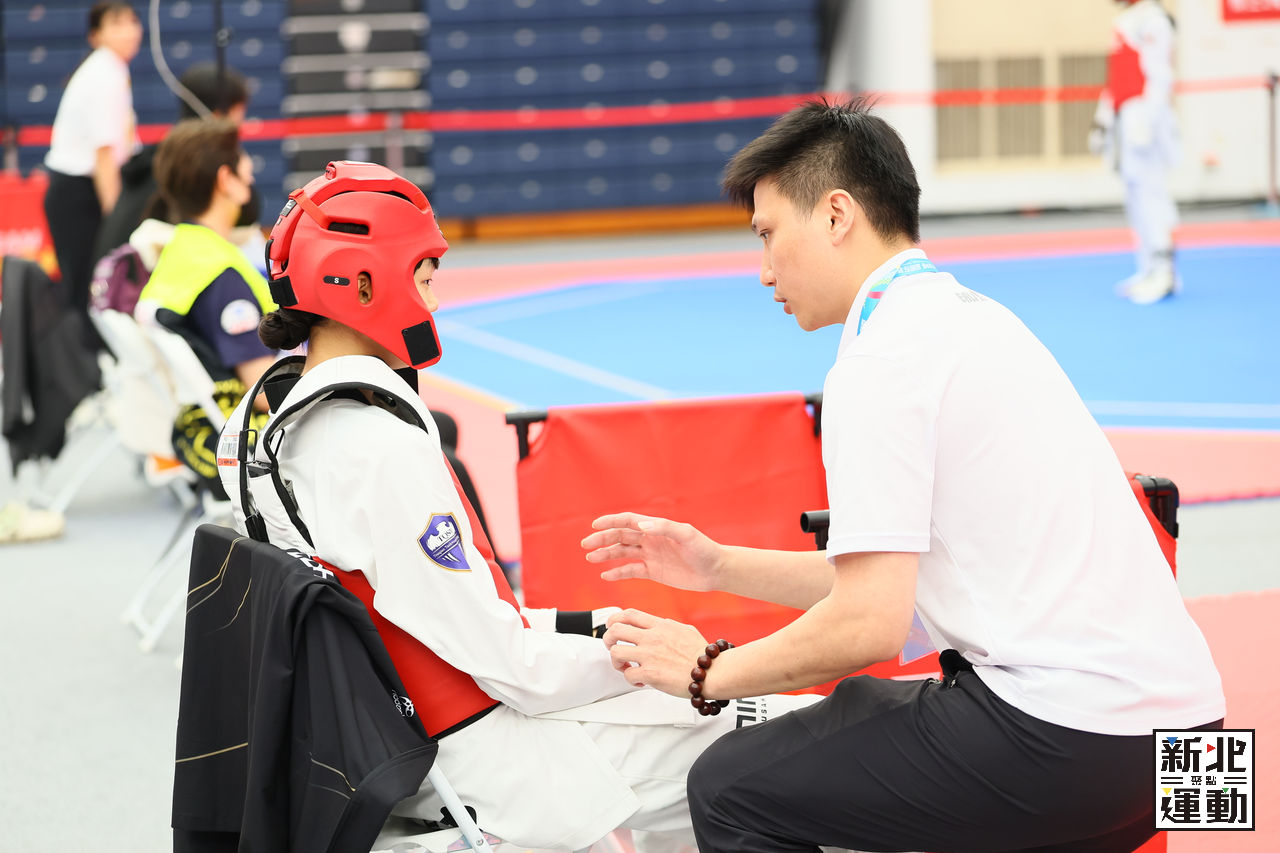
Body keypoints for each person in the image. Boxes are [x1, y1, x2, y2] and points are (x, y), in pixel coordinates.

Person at [584, 98, 1225, 853]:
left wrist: (706, 671)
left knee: (727, 788)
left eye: (766, 234)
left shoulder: (880, 362)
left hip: (1070, 734)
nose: (763, 271)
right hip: (1197, 736)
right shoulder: (977, 317)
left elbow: (869, 623)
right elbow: (906, 585)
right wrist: (718, 566)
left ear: (836, 215)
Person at [215, 161, 819, 852]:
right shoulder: (378, 449)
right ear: (362, 284)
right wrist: (644, 659)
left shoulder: (270, 435)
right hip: (489, 755)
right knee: (802, 743)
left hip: (405, 737)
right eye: (424, 278)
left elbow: (437, 621)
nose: (432, 301)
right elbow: (514, 668)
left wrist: (597, 630)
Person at [134, 118, 275, 498]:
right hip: (249, 443)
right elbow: (264, 391)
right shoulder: (221, 275)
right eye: (244, 162)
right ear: (226, 180)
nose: (251, 172)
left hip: (204, 430)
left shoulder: (180, 250)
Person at [93, 62, 260, 262]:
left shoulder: (163, 156)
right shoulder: (194, 167)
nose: (241, 122)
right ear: (219, 114)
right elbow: (248, 213)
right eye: (239, 112)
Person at [42, 1, 142, 317]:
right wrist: (117, 220)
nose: (129, 31)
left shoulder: (112, 69)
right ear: (95, 35)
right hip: (79, 195)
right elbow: (104, 156)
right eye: (116, 24)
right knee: (87, 295)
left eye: (132, 22)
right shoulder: (103, 74)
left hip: (82, 192)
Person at [1090, 0, 1180, 305]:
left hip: (1142, 116)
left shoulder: (1153, 20)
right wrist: (1103, 121)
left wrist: (1149, 120)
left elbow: (1160, 76)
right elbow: (1115, 77)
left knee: (1151, 192)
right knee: (1134, 194)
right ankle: (1147, 268)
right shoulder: (1128, 20)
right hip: (1124, 117)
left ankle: (1164, 271)